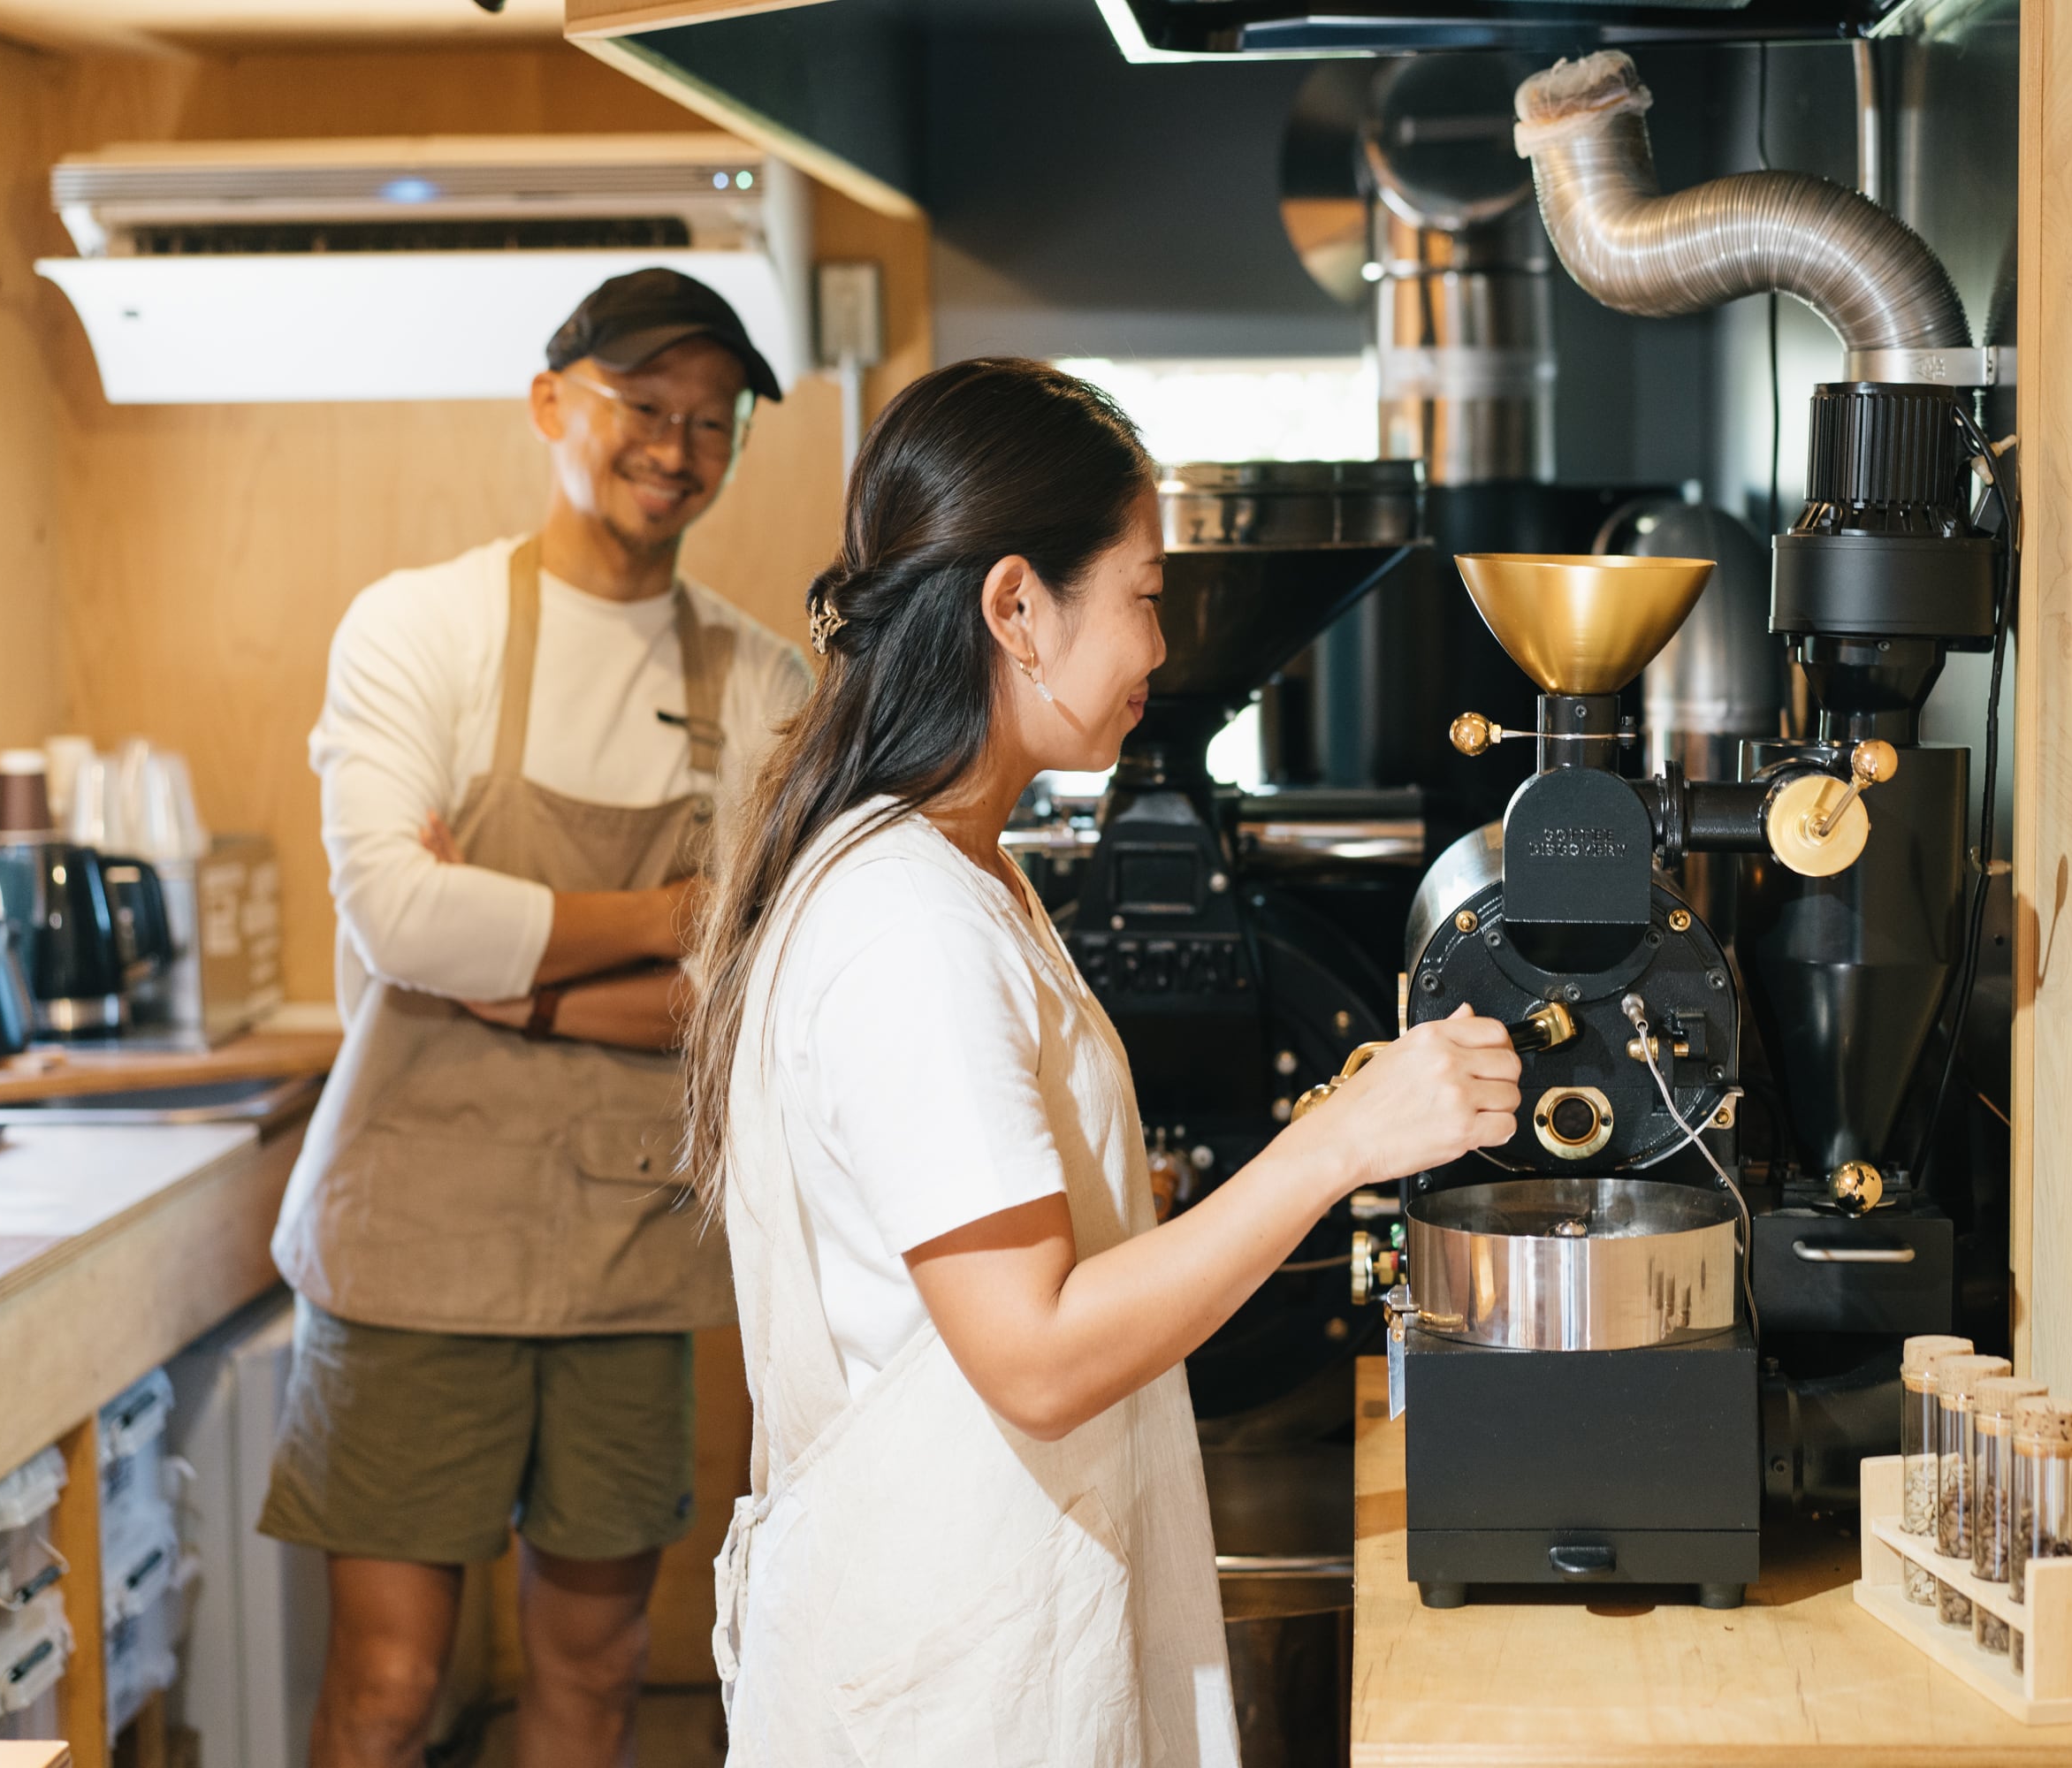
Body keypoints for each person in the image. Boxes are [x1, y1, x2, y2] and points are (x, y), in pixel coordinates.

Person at [679, 358, 1521, 1764]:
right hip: (949, 1685)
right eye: (1142, 594)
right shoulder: (907, 924)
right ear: (1018, 608)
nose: (1160, 646)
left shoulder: (961, 872)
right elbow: (1040, 1355)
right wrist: (1341, 1142)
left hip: (979, 1625)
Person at [263, 270, 811, 1768]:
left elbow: (752, 987)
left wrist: (508, 974)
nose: (678, 447)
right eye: (647, 405)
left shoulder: (761, 680)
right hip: (409, 1240)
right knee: (388, 1688)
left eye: (716, 419)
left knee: (600, 1667)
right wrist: (666, 914)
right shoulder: (420, 628)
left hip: (630, 1244)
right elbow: (398, 916)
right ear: (552, 404)